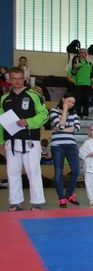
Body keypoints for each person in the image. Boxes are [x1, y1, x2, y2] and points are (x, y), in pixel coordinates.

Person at [0, 67, 48, 211]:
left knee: (33, 171)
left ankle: (36, 203)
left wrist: (28, 122)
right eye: (14, 78)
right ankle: (15, 202)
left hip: (30, 140)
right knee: (12, 172)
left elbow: (44, 114)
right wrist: (1, 141)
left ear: (24, 79)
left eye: (19, 78)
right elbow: (1, 122)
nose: (17, 81)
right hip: (11, 141)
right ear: (9, 80)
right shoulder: (4, 99)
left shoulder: (33, 95)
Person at [49, 92, 81, 207]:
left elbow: (76, 128)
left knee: (76, 170)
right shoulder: (54, 111)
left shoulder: (74, 114)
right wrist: (64, 111)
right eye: (68, 101)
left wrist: (58, 128)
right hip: (57, 146)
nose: (70, 104)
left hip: (71, 145)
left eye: (72, 102)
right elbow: (61, 125)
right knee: (58, 172)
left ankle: (69, 194)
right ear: (63, 99)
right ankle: (61, 198)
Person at [67, 48, 93, 119]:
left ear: (86, 54)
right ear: (79, 54)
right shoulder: (76, 62)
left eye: (85, 53)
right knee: (78, 99)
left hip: (88, 84)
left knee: (86, 100)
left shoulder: (90, 64)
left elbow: (92, 75)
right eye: (81, 52)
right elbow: (73, 73)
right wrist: (75, 68)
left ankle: (85, 114)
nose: (83, 54)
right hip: (79, 84)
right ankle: (78, 114)